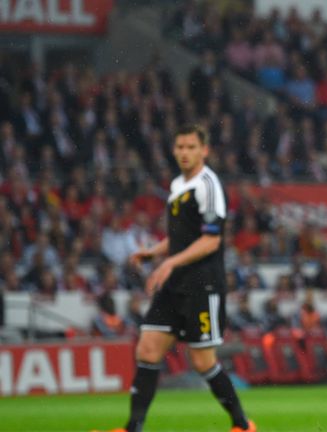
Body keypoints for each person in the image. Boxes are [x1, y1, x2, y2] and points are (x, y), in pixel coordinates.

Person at [94, 125, 256, 432]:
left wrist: (169, 264)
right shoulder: (178, 184)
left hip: (202, 283)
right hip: (175, 281)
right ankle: (133, 427)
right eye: (180, 147)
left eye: (191, 147)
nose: (184, 152)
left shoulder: (208, 186)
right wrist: (154, 252)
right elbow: (182, 237)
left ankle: (242, 424)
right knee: (147, 349)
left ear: (204, 151)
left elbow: (211, 241)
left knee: (203, 362)